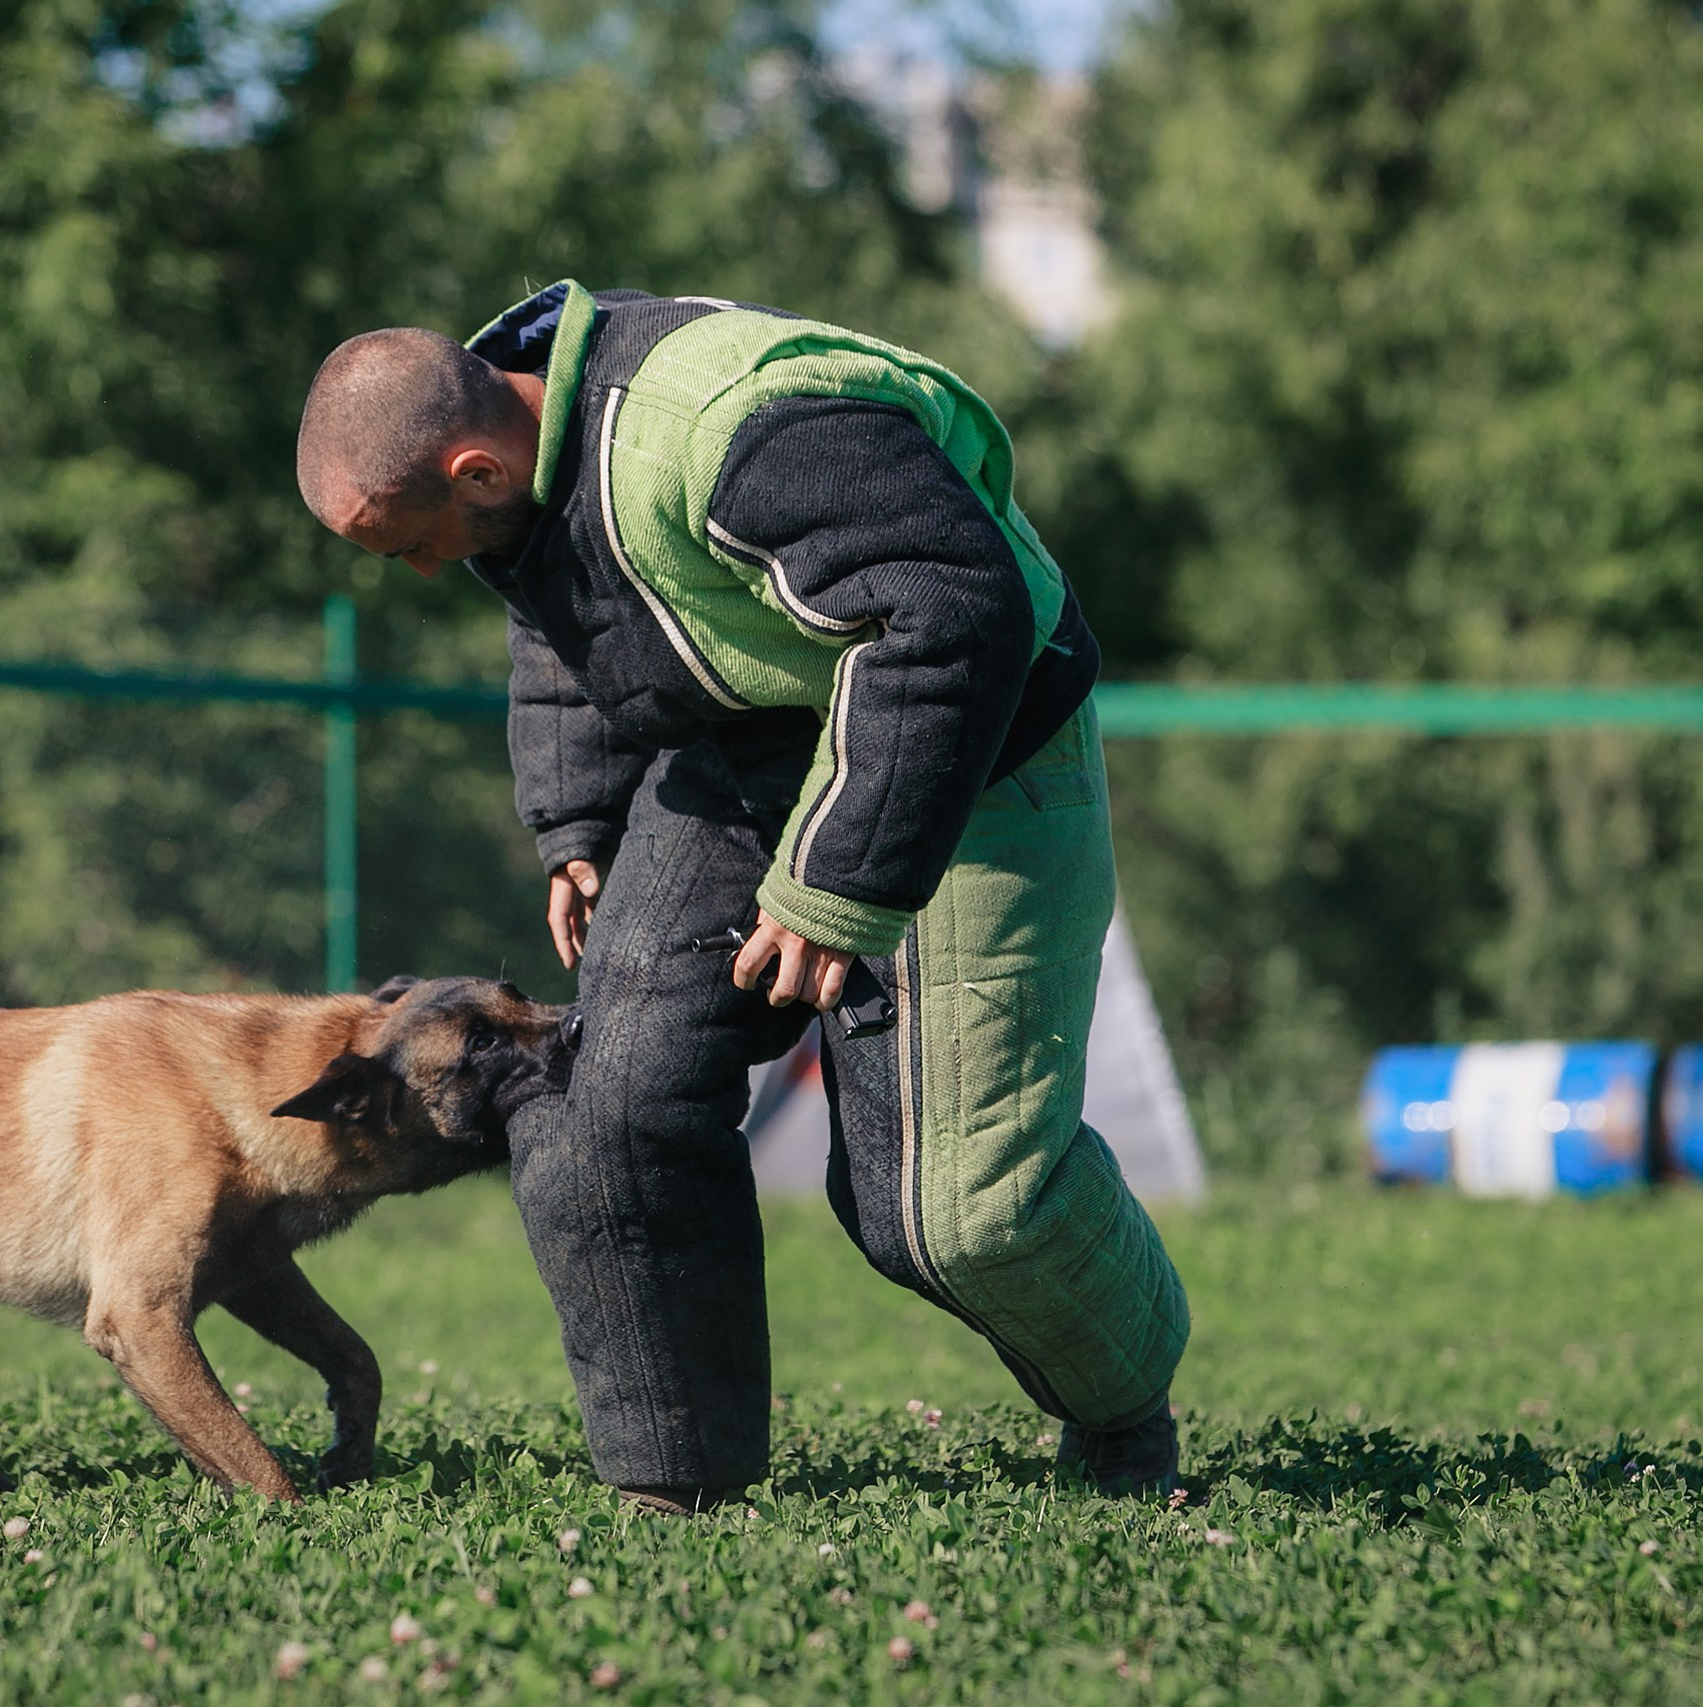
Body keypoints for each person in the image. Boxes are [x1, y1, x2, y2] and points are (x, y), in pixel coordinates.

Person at [294, 282, 1189, 1510]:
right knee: (599, 1111)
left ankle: (1125, 1416)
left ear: (474, 466)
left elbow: (948, 609)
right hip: (739, 757)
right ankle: (675, 1495)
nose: (412, 568)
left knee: (950, 1215)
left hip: (976, 754)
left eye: (405, 541)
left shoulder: (734, 426)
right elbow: (564, 610)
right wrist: (577, 821)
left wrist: (835, 888)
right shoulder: (518, 473)